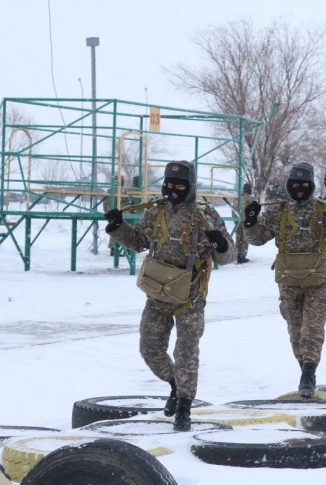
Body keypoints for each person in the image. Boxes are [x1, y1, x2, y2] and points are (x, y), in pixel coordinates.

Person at [104, 161, 236, 431]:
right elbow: (139, 241)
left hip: (190, 296)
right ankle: (175, 385)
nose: (173, 189)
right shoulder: (156, 212)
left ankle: (185, 407)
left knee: (186, 352)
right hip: (157, 293)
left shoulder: (205, 215)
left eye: (180, 185)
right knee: (149, 349)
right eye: (169, 184)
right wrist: (118, 228)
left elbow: (230, 256)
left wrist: (220, 243)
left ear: (190, 187)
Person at [243, 163, 326, 399]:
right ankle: (305, 369)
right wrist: (250, 220)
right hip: (289, 282)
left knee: (312, 328)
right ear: (288, 186)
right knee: (295, 331)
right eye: (294, 185)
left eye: (305, 185)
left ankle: (308, 373)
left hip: (318, 281)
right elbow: (257, 239)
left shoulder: (324, 210)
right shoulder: (277, 211)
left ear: (312, 186)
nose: (299, 189)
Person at [235, 182, 253, 264]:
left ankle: (237, 255)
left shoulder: (238, 197)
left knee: (238, 239)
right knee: (245, 239)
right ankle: (242, 256)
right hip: (246, 222)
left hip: (237, 220)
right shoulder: (249, 199)